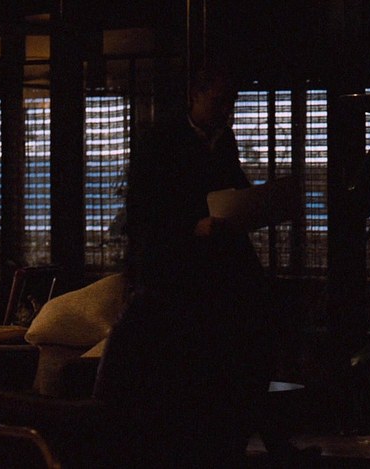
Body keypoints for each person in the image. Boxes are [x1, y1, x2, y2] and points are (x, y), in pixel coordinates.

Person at [94, 63, 275, 467]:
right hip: (174, 270)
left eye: (231, 103)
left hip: (216, 268)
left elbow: (231, 188)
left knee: (247, 339)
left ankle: (229, 440)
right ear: (195, 94)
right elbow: (143, 211)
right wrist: (191, 226)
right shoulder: (160, 141)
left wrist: (255, 204)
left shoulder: (222, 140)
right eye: (219, 101)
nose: (226, 110)